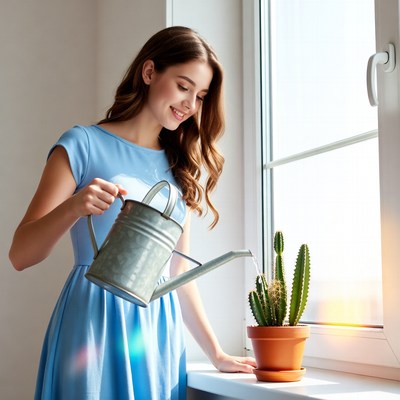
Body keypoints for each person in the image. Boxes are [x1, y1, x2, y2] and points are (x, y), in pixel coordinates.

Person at [9, 26, 256, 399]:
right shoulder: (82, 144)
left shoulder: (178, 169)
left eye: (201, 95)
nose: (191, 104)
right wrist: (74, 207)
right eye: (183, 86)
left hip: (157, 335)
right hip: (94, 323)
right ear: (149, 72)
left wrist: (216, 352)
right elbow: (20, 255)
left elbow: (179, 274)